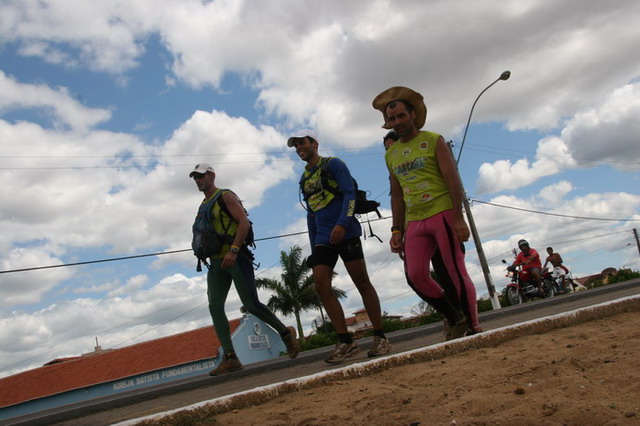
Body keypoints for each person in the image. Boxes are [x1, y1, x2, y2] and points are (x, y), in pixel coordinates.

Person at [373, 86, 481, 340]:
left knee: (455, 271)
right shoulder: (391, 154)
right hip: (414, 222)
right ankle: (455, 317)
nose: (397, 122)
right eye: (392, 119)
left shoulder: (433, 140)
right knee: (415, 276)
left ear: (412, 114)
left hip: (441, 212)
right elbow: (396, 194)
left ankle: (473, 327)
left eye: (401, 116)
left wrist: (458, 217)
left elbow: (452, 180)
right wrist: (396, 229)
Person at [288, 133, 391, 363]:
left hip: (345, 231)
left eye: (302, 143)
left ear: (315, 144)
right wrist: (315, 245)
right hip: (323, 237)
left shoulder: (334, 164)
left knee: (361, 281)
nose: (299, 148)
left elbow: (349, 194)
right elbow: (311, 212)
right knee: (321, 286)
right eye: (295, 146)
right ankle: (346, 341)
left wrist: (343, 223)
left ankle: (380, 336)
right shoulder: (304, 178)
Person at [189, 163, 300, 376]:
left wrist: (233, 250)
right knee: (214, 306)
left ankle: (286, 334)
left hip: (236, 258)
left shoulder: (225, 195)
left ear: (212, 175)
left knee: (251, 304)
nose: (198, 180)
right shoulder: (203, 205)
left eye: (201, 176)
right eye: (195, 178)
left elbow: (244, 223)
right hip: (216, 263)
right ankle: (230, 358)